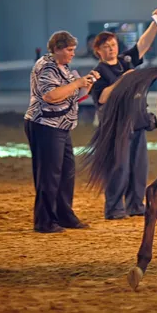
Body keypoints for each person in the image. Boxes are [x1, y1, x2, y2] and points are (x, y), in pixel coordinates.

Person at [24, 31, 100, 233]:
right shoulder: (46, 66)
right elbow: (50, 96)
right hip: (45, 125)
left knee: (66, 173)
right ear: (57, 49)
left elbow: (74, 97)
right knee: (49, 174)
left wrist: (87, 83)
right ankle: (45, 221)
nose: (73, 54)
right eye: (69, 49)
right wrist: (77, 83)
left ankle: (64, 215)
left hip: (61, 126)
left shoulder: (62, 67)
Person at [90, 9, 157, 220]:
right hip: (117, 127)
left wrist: (155, 22)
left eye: (113, 45)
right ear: (98, 52)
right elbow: (102, 97)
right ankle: (113, 208)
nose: (111, 49)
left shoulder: (126, 61)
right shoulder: (99, 72)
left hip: (137, 123)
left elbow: (144, 44)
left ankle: (135, 205)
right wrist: (123, 80)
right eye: (106, 47)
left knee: (138, 168)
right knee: (118, 168)